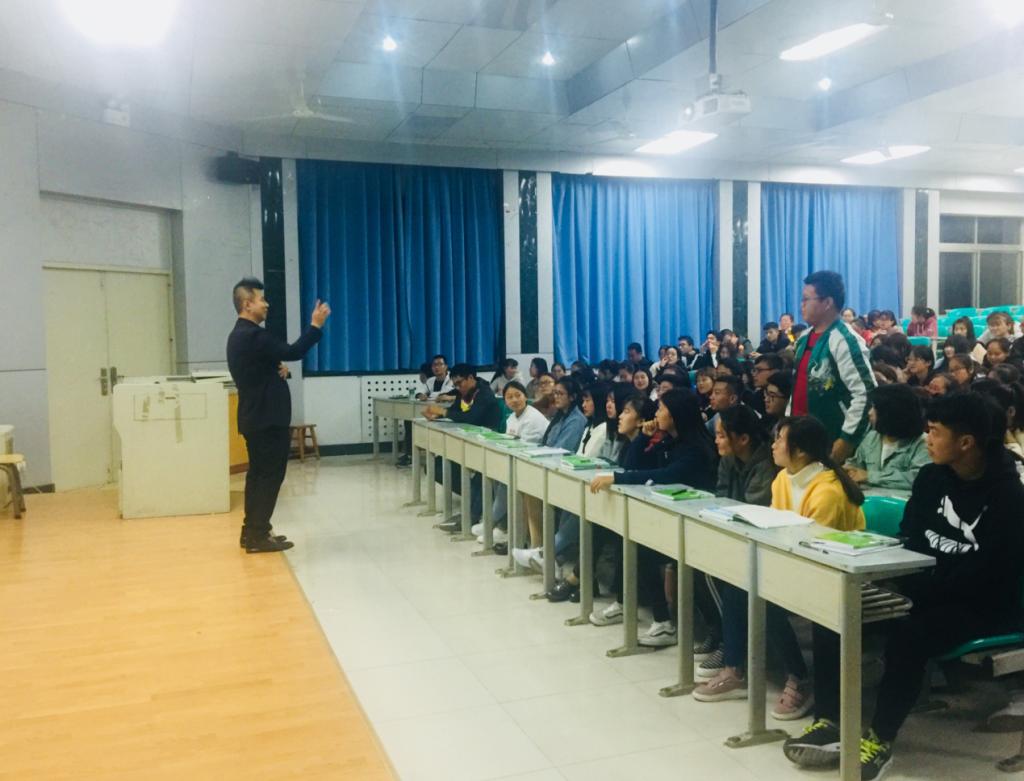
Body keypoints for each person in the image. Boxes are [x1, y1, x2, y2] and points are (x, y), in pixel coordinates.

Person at [784, 393, 1024, 780]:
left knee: (910, 633)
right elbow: (911, 536)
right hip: (925, 589)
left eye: (935, 432)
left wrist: (917, 591)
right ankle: (828, 721)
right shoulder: (931, 478)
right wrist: (898, 581)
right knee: (835, 610)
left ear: (966, 442)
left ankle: (879, 740)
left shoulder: (1009, 496)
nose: (927, 439)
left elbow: (994, 573)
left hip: (983, 605)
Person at [693, 406, 812, 719]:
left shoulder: (784, 475)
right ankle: (734, 662)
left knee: (754, 588)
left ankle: (796, 675)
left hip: (802, 559)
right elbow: (722, 500)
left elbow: (761, 514)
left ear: (742, 438)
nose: (774, 444)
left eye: (722, 435)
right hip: (764, 548)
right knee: (727, 575)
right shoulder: (775, 476)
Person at [589, 389, 718, 646]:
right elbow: (635, 466)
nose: (656, 414)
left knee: (641, 547)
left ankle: (670, 623)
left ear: (676, 414)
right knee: (631, 539)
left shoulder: (696, 448)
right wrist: (643, 439)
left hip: (698, 524)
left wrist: (616, 478)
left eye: (661, 409)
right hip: (674, 517)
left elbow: (664, 476)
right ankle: (651, 615)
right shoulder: (671, 441)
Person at [226, 278, 330, 553]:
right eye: (261, 299)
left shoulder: (240, 336)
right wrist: (315, 326)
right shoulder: (253, 336)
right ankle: (257, 535)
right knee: (269, 477)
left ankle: (253, 531)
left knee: (258, 476)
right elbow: (293, 351)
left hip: (255, 417)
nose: (267, 304)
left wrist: (279, 368)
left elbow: (267, 366)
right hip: (266, 419)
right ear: (247, 304)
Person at [789, 270, 876, 462]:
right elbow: (797, 389)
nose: (801, 305)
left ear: (827, 302)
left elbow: (866, 393)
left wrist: (847, 439)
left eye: (806, 299)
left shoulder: (845, 340)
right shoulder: (803, 338)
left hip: (831, 438)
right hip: (800, 435)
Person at [511, 378, 587, 570]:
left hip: (563, 472)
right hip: (550, 467)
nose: (556, 397)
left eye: (560, 394)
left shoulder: (576, 420)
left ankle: (542, 551)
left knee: (533, 490)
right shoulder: (559, 416)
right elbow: (547, 443)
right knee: (526, 488)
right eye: (555, 393)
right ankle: (535, 546)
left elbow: (562, 449)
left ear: (572, 397)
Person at [424, 364, 502, 532]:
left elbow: (470, 418)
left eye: (460, 383)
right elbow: (455, 412)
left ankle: (472, 513)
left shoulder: (484, 393)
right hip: (468, 440)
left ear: (471, 378)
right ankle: (474, 501)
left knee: (480, 475)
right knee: (437, 466)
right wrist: (436, 415)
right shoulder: (463, 393)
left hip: (487, 443)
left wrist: (444, 412)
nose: (458, 388)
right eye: (455, 385)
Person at [474, 380, 549, 546]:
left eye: (518, 395)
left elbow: (524, 447)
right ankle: (498, 526)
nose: (514, 400)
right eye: (509, 397)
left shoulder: (532, 417)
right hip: (519, 462)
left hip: (535, 465)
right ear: (505, 401)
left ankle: (492, 524)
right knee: (498, 478)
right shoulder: (512, 418)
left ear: (525, 396)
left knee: (506, 483)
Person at [843, 384, 930, 491]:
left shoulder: (923, 443)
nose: (869, 413)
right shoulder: (871, 437)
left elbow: (918, 478)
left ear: (890, 413)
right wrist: (847, 471)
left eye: (875, 408)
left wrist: (870, 476)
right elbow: (856, 464)